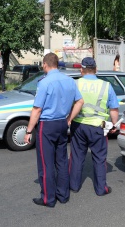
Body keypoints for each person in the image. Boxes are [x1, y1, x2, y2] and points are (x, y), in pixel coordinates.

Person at [24, 53, 84, 208]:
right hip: (62, 124)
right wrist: (69, 118)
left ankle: (48, 199)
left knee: (46, 163)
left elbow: (37, 109)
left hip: (47, 125)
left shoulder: (44, 83)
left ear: (45, 64)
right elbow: (80, 101)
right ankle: (63, 195)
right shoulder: (70, 81)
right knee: (62, 160)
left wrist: (29, 131)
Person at [68, 57, 119, 196]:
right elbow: (113, 108)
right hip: (99, 126)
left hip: (78, 125)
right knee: (99, 158)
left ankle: (74, 185)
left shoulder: (75, 84)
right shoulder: (106, 86)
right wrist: (114, 124)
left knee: (77, 156)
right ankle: (101, 189)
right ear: (96, 70)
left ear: (81, 70)